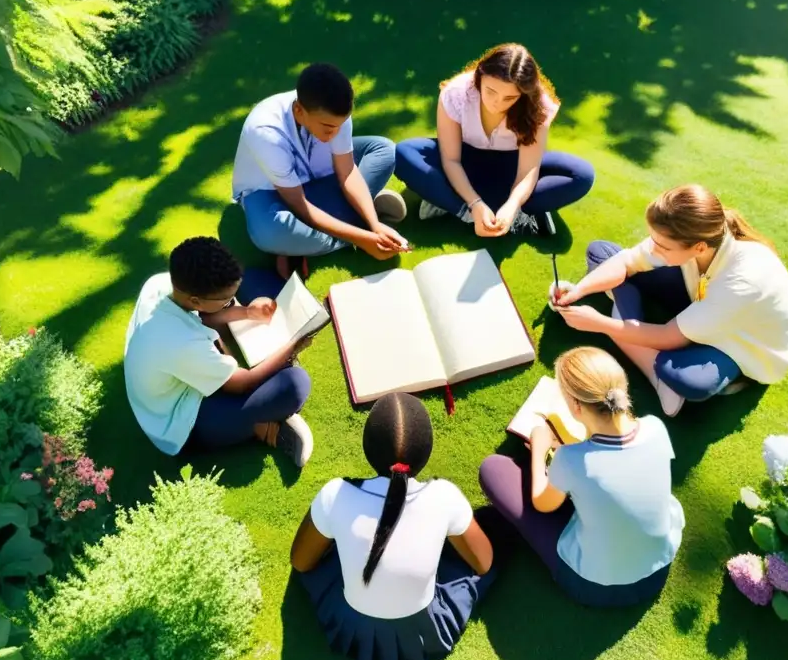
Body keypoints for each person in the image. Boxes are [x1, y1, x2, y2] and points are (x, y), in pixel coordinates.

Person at [290, 392, 498, 660]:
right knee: (486, 534)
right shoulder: (444, 497)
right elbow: (483, 563)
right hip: (422, 629)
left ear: (368, 449)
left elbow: (301, 562)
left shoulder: (335, 495)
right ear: (426, 452)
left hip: (352, 623)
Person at [552, 184, 788, 417]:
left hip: (740, 342)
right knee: (603, 253)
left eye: (663, 247)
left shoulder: (743, 280)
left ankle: (631, 333)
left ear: (699, 248)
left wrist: (601, 324)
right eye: (654, 240)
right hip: (700, 298)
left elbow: (668, 338)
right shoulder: (698, 242)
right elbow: (626, 262)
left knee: (691, 382)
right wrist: (579, 291)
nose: (653, 249)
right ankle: (651, 368)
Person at [479, 347, 684, 607]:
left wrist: (539, 452)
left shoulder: (571, 459)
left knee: (493, 469)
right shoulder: (655, 427)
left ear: (576, 406)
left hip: (595, 587)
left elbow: (543, 503)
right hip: (658, 568)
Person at [124, 236, 314, 465]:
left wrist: (246, 313)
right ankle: (262, 428)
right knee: (295, 384)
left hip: (174, 378)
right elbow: (242, 383)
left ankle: (259, 421)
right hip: (180, 423)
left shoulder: (160, 284)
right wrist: (293, 345)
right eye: (225, 300)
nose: (230, 302)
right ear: (195, 299)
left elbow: (202, 316)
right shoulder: (180, 343)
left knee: (252, 280)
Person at [395, 43, 594, 237]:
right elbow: (451, 159)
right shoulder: (456, 93)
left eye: (510, 98)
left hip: (511, 168)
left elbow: (527, 171)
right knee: (404, 152)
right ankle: (465, 210)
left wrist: (512, 205)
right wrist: (474, 205)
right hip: (465, 161)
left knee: (581, 175)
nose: (497, 103)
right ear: (480, 76)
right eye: (491, 91)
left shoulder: (538, 105)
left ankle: (469, 203)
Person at [231, 63, 410, 278]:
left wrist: (374, 224)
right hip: (273, 195)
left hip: (318, 182)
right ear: (299, 110)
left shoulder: (334, 112)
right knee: (270, 234)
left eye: (340, 126)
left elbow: (347, 171)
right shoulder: (265, 133)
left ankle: (305, 243)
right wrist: (362, 239)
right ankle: (341, 225)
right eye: (328, 128)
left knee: (383, 150)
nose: (335, 134)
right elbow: (298, 203)